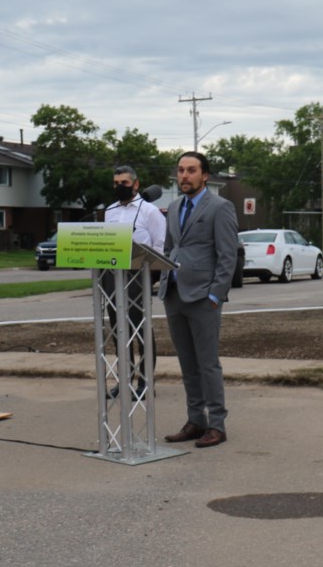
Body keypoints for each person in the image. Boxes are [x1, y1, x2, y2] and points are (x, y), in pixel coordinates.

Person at [159, 152, 238, 448]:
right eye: (180, 170)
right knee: (187, 363)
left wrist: (216, 294)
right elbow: (169, 249)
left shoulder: (220, 207)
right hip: (174, 295)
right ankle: (195, 421)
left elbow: (228, 255)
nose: (184, 176)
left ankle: (216, 424)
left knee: (207, 364)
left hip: (204, 297)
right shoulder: (174, 206)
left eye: (191, 170)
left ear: (205, 175)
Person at [102, 165, 167, 399]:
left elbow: (159, 246)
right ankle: (124, 381)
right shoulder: (109, 210)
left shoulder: (149, 212)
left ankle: (146, 382)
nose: (120, 187)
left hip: (139, 275)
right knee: (120, 330)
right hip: (112, 275)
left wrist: (152, 276)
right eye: (116, 183)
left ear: (136, 184)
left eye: (125, 183)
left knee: (140, 331)